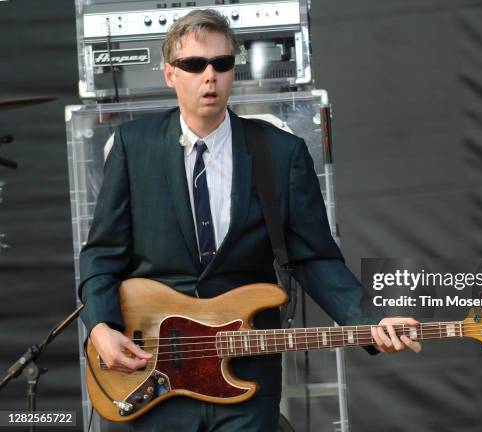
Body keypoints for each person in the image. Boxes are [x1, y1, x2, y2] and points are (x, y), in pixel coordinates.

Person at [78, 9, 421, 432]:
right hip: (153, 371)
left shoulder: (281, 153)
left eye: (222, 64)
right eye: (194, 65)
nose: (210, 76)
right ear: (170, 74)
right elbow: (102, 254)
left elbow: (315, 258)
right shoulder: (134, 146)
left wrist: (370, 321)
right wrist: (100, 326)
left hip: (246, 371)